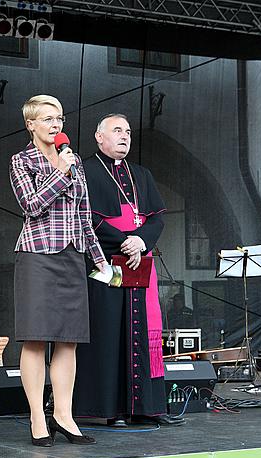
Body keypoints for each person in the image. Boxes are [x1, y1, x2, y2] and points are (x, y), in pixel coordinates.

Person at [73, 114, 184, 427]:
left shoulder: (141, 174)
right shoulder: (85, 170)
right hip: (105, 264)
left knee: (143, 332)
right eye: (117, 131)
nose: (124, 136)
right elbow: (86, 217)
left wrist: (140, 241)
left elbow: (157, 218)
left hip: (140, 263)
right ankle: (112, 410)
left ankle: (146, 408)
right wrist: (125, 243)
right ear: (99, 137)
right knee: (110, 334)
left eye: (128, 132)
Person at [9, 95, 108, 447]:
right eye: (48, 119)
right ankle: (38, 415)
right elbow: (31, 205)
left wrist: (99, 260)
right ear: (31, 124)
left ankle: (63, 415)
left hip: (72, 257)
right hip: (37, 255)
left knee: (69, 340)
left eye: (60, 119)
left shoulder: (75, 160)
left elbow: (84, 216)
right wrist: (60, 172)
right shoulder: (21, 161)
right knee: (36, 338)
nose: (56, 125)